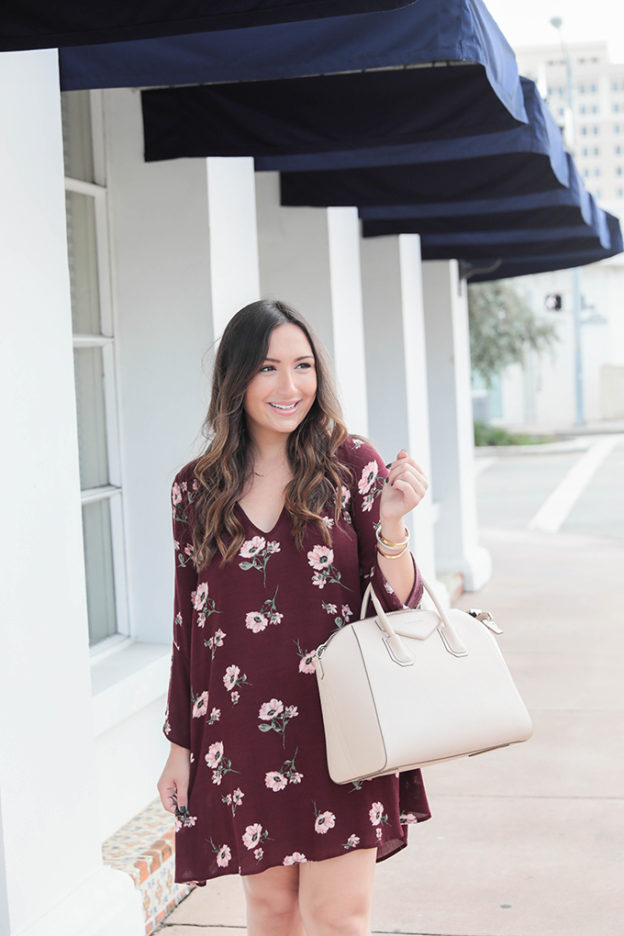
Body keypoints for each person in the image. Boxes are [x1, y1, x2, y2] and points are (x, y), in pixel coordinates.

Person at [157, 298, 432, 936]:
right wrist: (180, 748)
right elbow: (188, 631)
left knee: (337, 918)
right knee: (272, 914)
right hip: (243, 734)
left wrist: (393, 524)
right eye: (269, 368)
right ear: (236, 379)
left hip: (344, 725)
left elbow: (398, 604)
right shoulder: (195, 491)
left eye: (303, 366)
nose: (291, 386)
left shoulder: (351, 466)